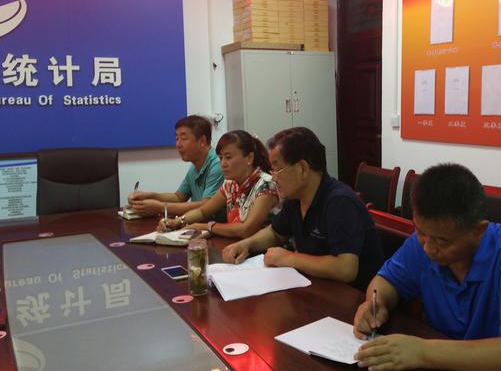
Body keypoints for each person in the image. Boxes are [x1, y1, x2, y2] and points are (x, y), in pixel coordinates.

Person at [353, 163, 501, 371]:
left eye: (442, 241)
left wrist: (421, 352)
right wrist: (375, 303)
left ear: (478, 230)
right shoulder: (423, 243)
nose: (428, 248)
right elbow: (386, 281)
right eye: (420, 232)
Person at [222, 127, 384, 290]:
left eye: (278, 170)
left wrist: (288, 258)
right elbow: (275, 233)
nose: (274, 178)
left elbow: (346, 269)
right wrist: (247, 244)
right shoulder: (296, 198)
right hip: (316, 287)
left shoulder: (340, 202)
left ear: (302, 168)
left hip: (354, 297)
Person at [159, 130, 279, 238]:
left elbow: (246, 229)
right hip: (235, 246)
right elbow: (203, 211)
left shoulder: (266, 185)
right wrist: (178, 221)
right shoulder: (230, 184)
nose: (223, 164)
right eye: (221, 158)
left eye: (228, 157)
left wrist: (207, 227)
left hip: (262, 252)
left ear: (249, 158)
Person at [127, 115, 225, 220]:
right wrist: (149, 195)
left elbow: (206, 206)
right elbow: (178, 197)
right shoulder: (195, 165)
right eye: (177, 138)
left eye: (183, 138)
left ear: (202, 141)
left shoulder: (218, 165)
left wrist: (160, 208)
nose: (178, 144)